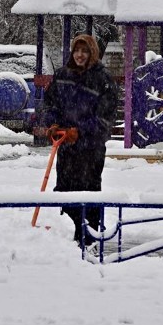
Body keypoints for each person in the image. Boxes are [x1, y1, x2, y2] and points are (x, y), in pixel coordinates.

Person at [37, 34, 119, 246]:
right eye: (77, 50)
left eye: (85, 51)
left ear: (92, 53)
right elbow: (51, 104)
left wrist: (80, 131)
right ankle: (70, 235)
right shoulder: (63, 75)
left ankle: (89, 239)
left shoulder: (103, 80)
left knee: (88, 192)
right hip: (66, 146)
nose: (80, 55)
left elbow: (105, 118)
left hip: (90, 149)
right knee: (65, 190)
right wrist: (52, 123)